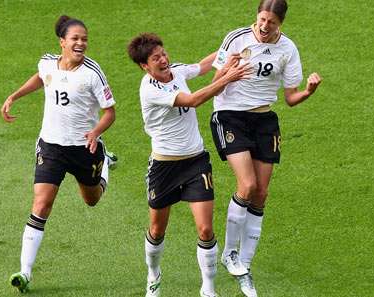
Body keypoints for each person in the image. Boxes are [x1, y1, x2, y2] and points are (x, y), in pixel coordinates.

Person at [210, 1, 322, 296]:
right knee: (246, 185)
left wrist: (309, 91)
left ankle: (244, 267)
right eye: (261, 19)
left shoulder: (288, 49)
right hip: (230, 115)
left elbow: (290, 98)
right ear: (256, 16)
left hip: (264, 120)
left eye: (270, 22)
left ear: (279, 23)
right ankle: (230, 254)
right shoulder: (236, 38)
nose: (263, 26)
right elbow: (214, 85)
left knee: (261, 193)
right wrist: (229, 74)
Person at [127, 33, 251, 297]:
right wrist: (228, 77)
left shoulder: (178, 72)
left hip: (196, 162)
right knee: (157, 230)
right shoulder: (149, 89)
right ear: (144, 66)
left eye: (163, 53)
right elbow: (194, 100)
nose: (163, 60)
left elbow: (203, 66)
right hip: (164, 167)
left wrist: (226, 54)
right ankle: (154, 274)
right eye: (155, 58)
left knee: (206, 229)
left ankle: (208, 288)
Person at [0, 15, 117, 293]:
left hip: (83, 149)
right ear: (62, 42)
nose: (81, 43)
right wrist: (14, 96)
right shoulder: (47, 62)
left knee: (92, 199)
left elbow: (110, 112)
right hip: (51, 147)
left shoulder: (92, 73)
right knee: (41, 205)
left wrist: (95, 133)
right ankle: (25, 272)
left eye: (84, 39)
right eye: (75, 39)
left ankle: (106, 163)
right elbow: (42, 78)